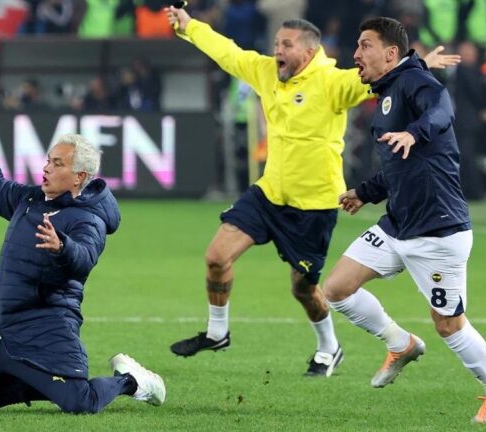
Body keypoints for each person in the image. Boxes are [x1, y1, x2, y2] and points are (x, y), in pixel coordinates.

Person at [165, 6, 460, 376]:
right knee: (216, 257)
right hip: (269, 194)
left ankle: (328, 347)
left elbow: (384, 76)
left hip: (315, 206)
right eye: (276, 43)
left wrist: (417, 66)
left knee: (304, 290)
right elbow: (227, 52)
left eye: (286, 45)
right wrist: (189, 25)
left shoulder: (333, 82)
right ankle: (217, 332)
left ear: (308, 51)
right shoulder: (265, 72)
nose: (278, 50)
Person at [322, 17, 486, 424]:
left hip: (437, 230)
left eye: (365, 45)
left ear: (390, 53)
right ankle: (401, 343)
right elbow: (398, 167)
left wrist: (416, 132)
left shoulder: (415, 83)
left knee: (448, 324)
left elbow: (442, 108)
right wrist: (365, 192)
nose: (356, 54)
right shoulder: (392, 89)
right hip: (398, 223)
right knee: (337, 289)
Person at [0, 101, 165, 413]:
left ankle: (129, 381)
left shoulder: (89, 219)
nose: (46, 168)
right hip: (3, 331)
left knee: (80, 403)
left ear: (79, 176)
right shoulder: (30, 199)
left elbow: (84, 258)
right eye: (47, 161)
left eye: (57, 164)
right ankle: (38, 382)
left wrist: (63, 247)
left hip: (46, 329)